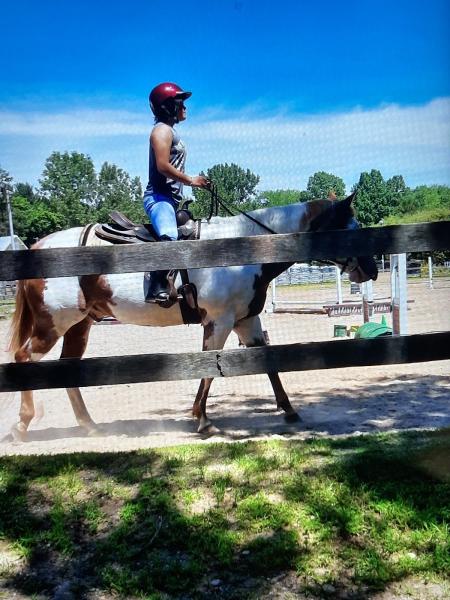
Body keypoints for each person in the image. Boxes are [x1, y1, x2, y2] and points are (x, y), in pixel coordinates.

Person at [143, 82, 210, 303]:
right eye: (181, 102)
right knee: (170, 236)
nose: (185, 107)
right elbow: (162, 166)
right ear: (168, 106)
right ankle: (156, 287)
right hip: (159, 197)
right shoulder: (161, 131)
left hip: (171, 199)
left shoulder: (170, 131)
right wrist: (191, 180)